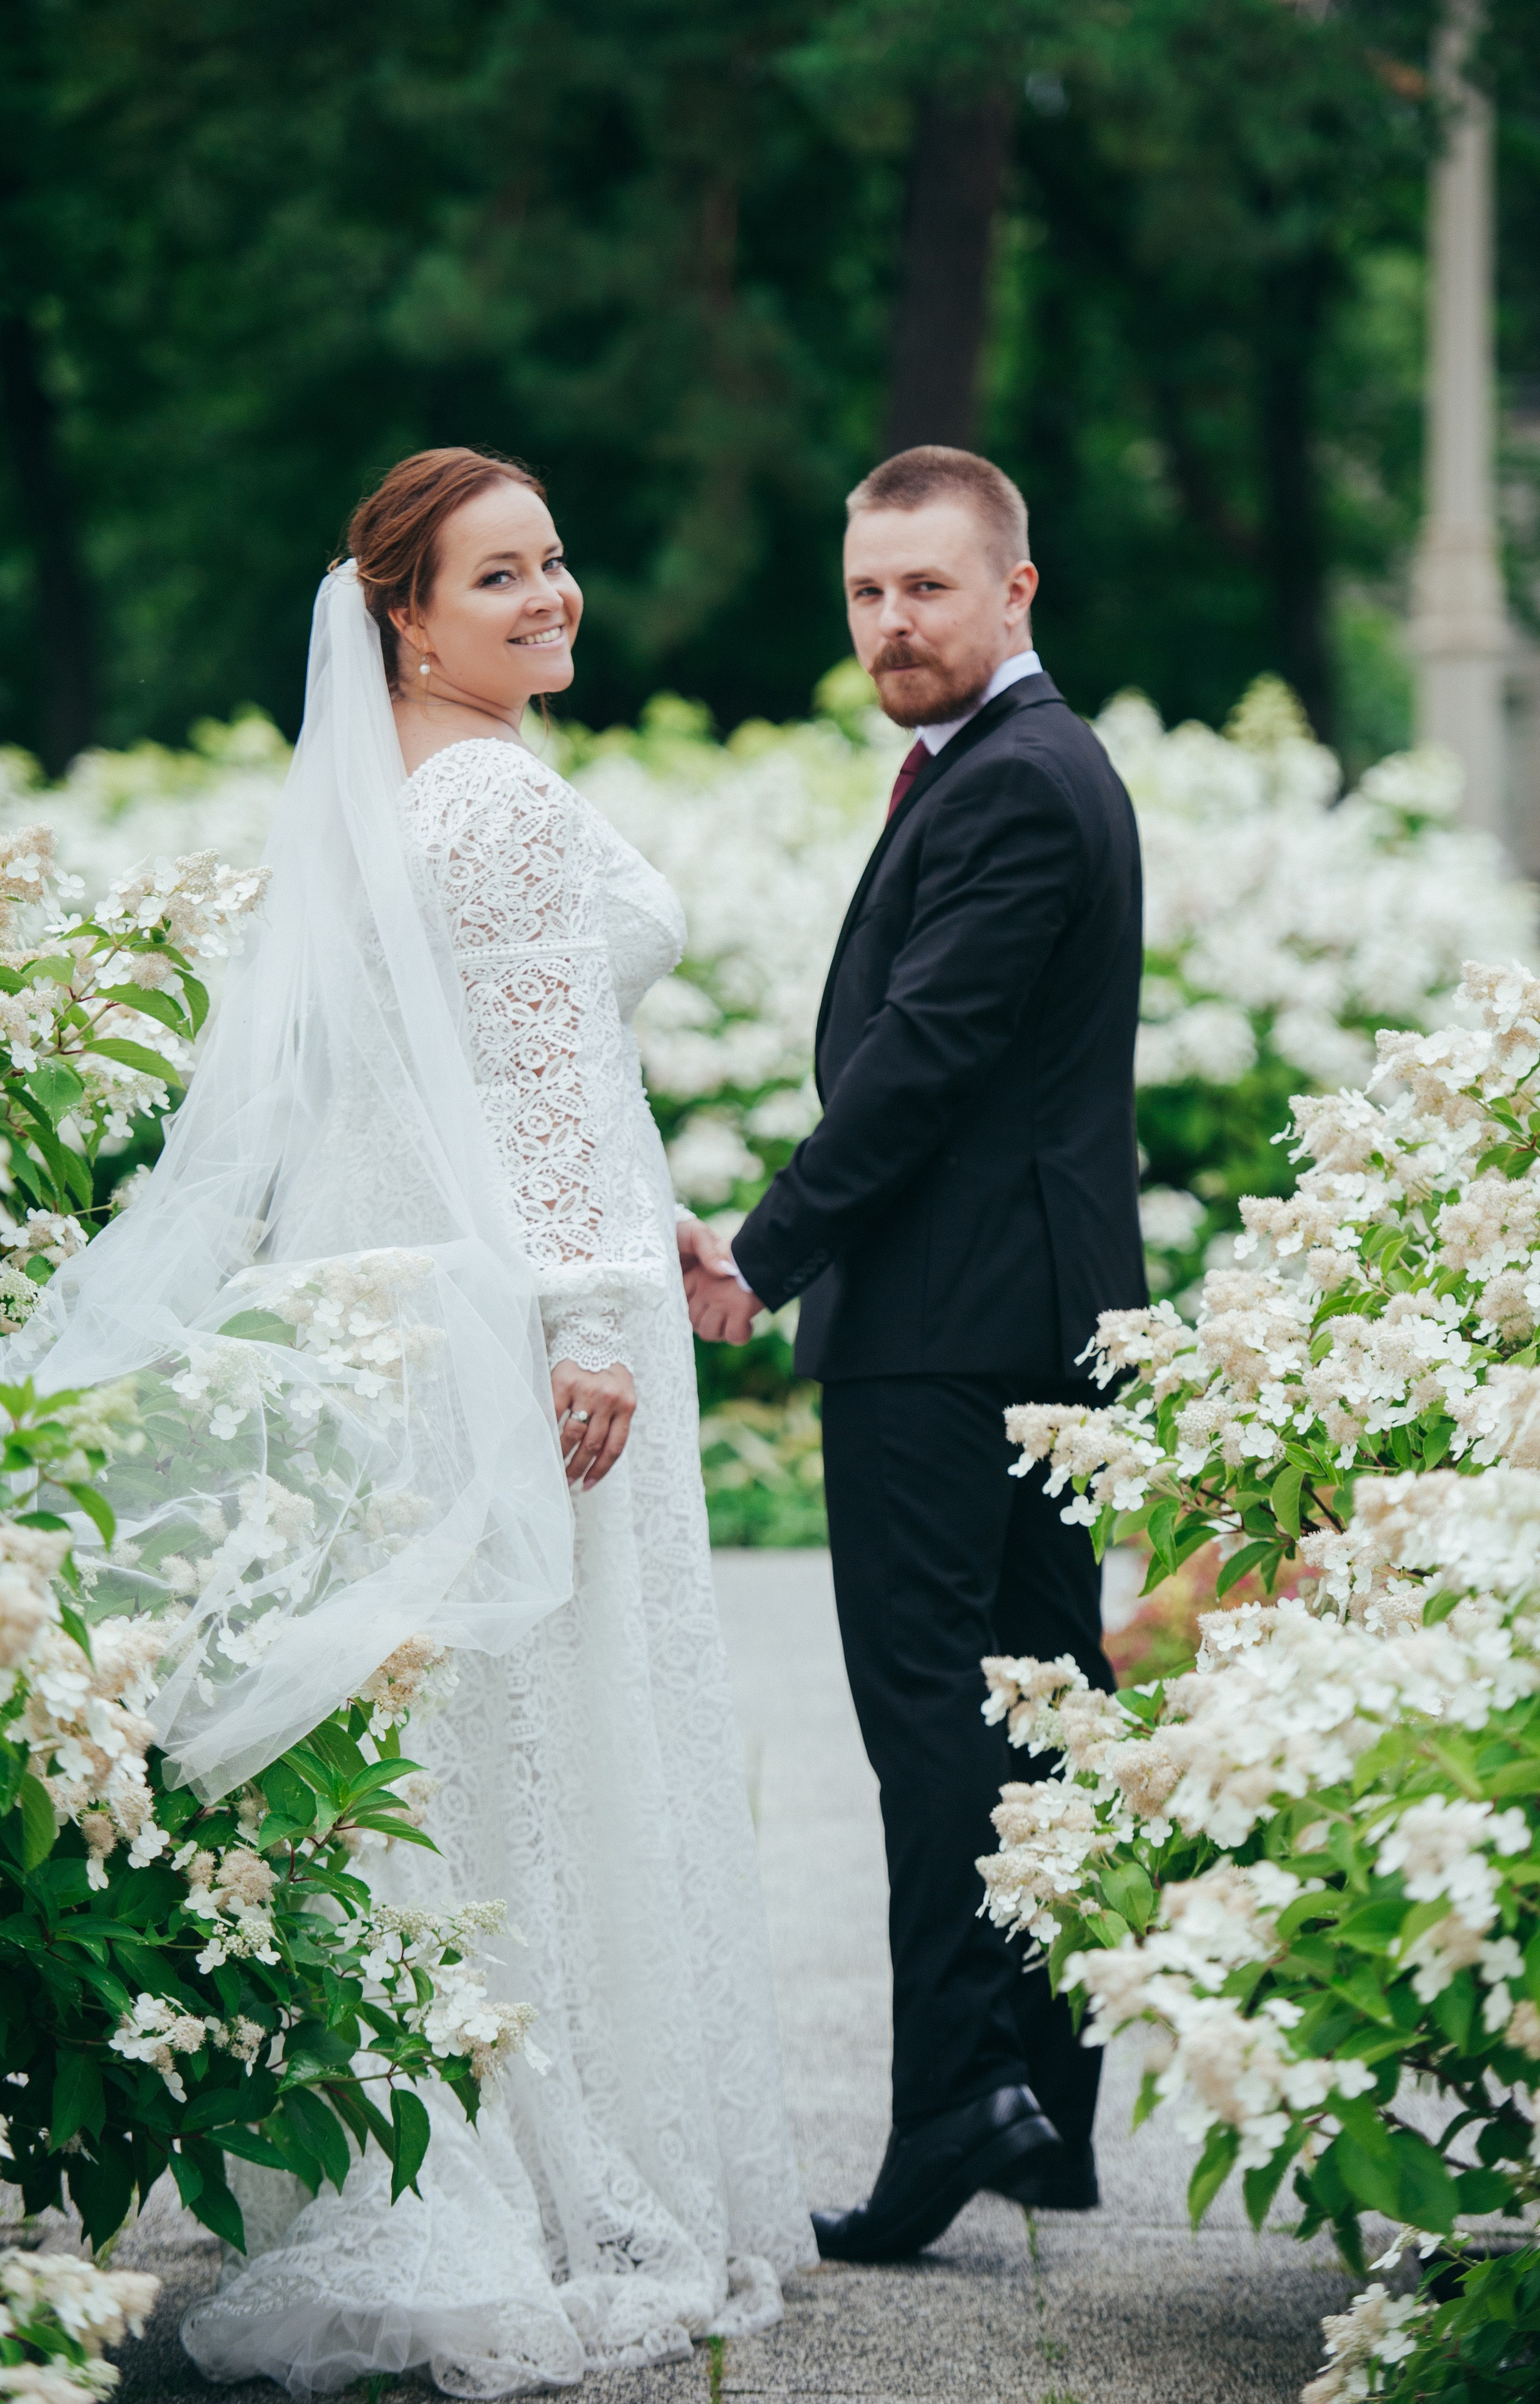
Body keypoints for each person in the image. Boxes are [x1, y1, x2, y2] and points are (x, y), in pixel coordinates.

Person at [0, 447, 813, 2394]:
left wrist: (632, 1209)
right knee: (567, 1723)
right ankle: (537, 2181)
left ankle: (458, 2150)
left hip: (441, 1313)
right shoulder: (498, 804)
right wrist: (598, 1322)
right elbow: (534, 1105)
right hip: (545, 1335)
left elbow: (477, 1087)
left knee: (468, 1741)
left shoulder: (395, 811)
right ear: (407, 621)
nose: (550, 598)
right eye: (499, 576)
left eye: (555, 562)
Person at [682, 444, 1147, 2263]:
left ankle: (959, 2110)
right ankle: (1044, 2103)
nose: (892, 621)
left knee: (941, 1723)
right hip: (1023, 1309)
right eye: (870, 591)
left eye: (929, 588)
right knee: (1040, 1702)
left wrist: (769, 1253)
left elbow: (927, 1055)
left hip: (949, 1328)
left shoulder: (1020, 780)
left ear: (1015, 591)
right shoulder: (1024, 764)